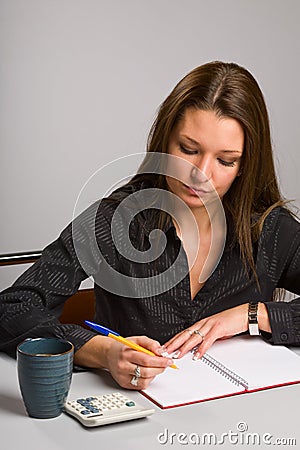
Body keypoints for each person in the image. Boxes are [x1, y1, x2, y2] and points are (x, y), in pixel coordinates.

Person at [1, 61, 300, 391]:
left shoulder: (271, 230)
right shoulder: (113, 220)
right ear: (165, 141)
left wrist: (252, 315)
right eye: (188, 149)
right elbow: (11, 310)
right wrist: (101, 352)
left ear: (245, 164)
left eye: (225, 160)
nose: (201, 173)